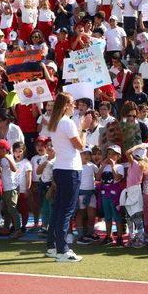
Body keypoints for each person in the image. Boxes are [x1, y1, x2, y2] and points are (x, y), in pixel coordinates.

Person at [45, 92, 92, 262]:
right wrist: (85, 127)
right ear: (65, 105)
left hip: (60, 169)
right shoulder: (66, 122)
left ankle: (52, 246)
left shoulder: (58, 122)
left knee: (58, 209)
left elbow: (73, 141)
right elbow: (80, 146)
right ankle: (62, 250)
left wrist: (80, 126)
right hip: (70, 170)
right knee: (65, 211)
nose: (75, 105)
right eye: (72, 103)